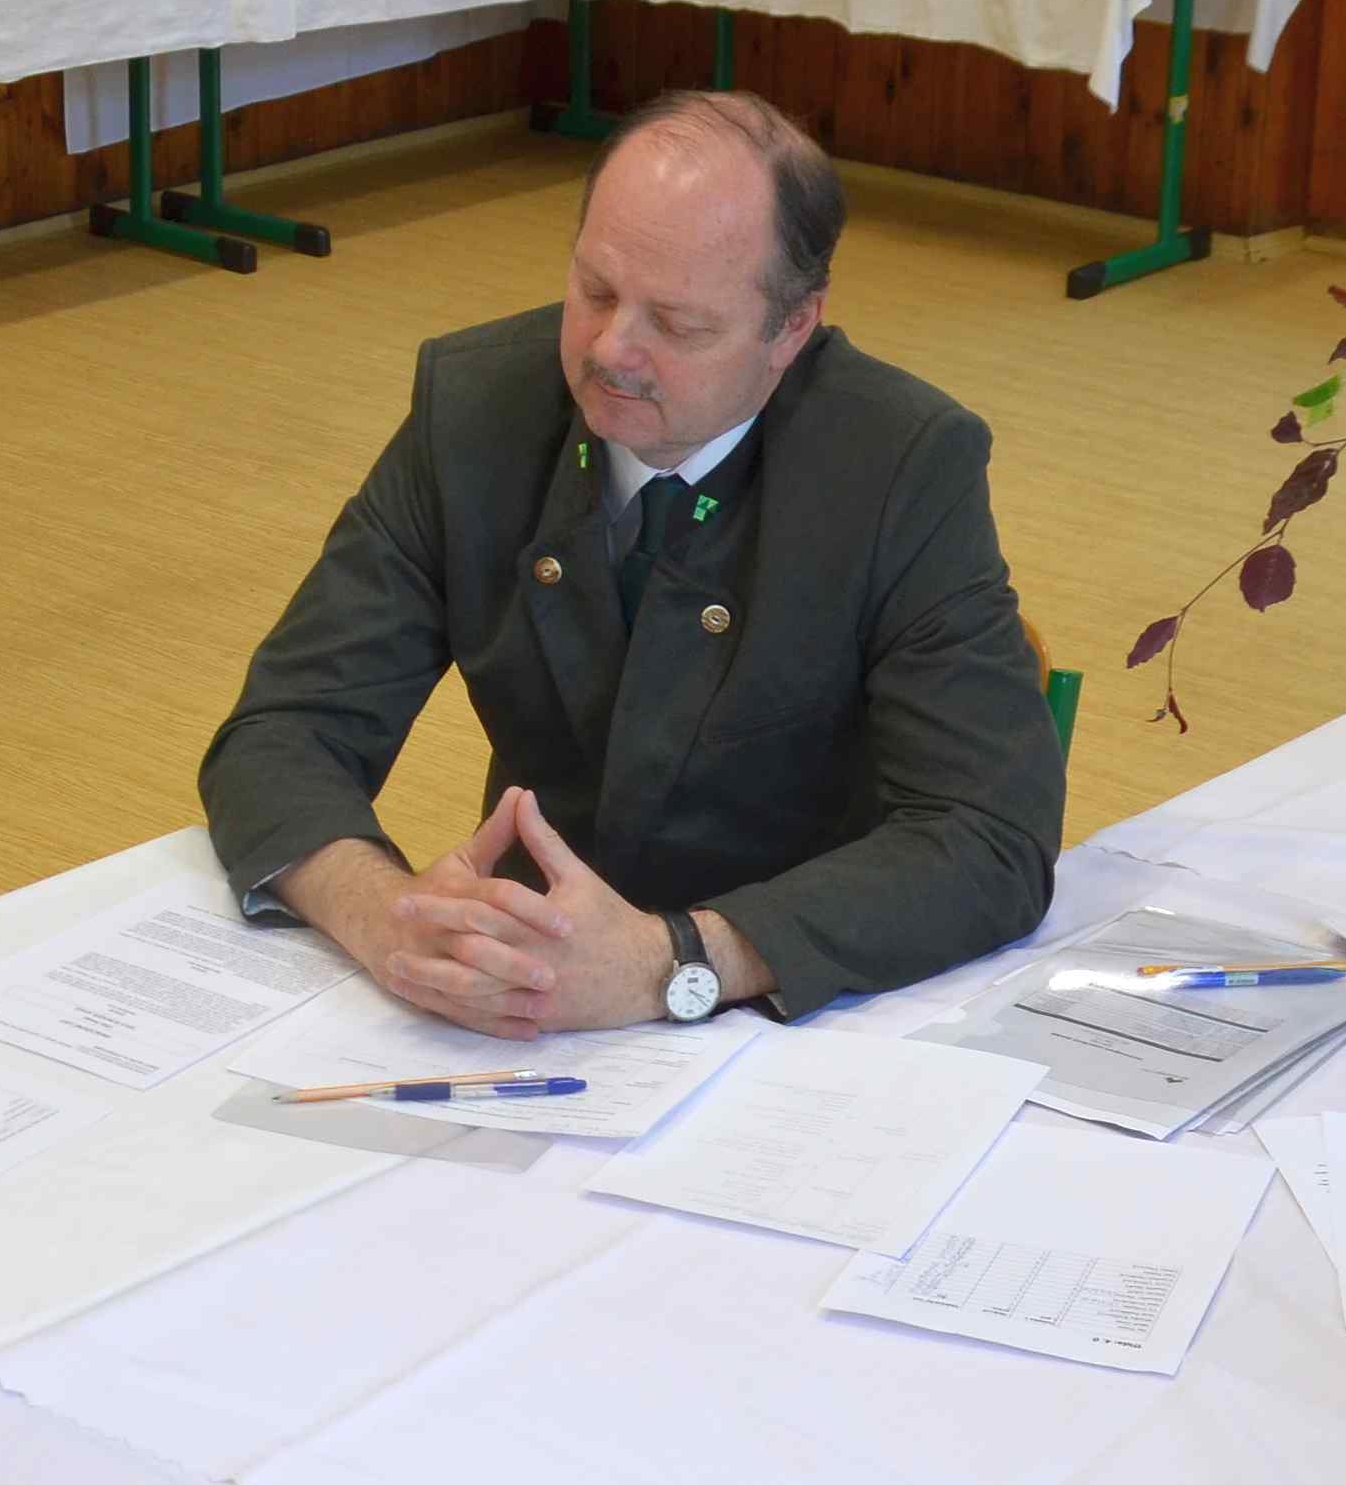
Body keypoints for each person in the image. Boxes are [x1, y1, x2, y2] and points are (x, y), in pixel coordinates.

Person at [198, 91, 1061, 1034]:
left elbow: (990, 839)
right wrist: (388, 917)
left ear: (792, 328)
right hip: (531, 996)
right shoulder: (476, 411)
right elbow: (283, 731)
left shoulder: (900, 465)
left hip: (794, 1007)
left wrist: (676, 960)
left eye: (678, 325)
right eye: (596, 291)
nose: (612, 350)